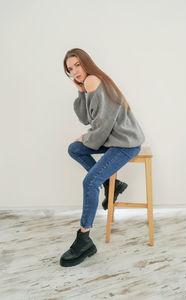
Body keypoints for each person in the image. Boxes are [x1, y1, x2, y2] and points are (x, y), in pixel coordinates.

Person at [59, 48, 145, 267]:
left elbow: (101, 126)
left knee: (89, 181)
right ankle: (111, 184)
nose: (75, 71)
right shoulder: (88, 83)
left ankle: (84, 238)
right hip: (112, 140)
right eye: (70, 69)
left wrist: (87, 137)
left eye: (77, 65)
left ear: (86, 62)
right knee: (74, 148)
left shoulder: (94, 80)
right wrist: (80, 91)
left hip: (126, 143)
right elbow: (85, 118)